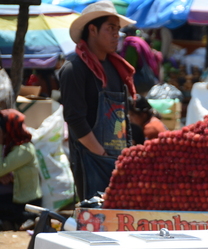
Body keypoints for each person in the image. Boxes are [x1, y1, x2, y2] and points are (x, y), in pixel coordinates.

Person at [59, 1, 137, 201]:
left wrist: (127, 155)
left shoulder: (116, 68)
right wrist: (101, 155)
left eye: (118, 30)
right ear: (92, 30)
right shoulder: (74, 68)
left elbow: (123, 116)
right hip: (90, 160)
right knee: (95, 218)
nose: (116, 35)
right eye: (110, 28)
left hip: (118, 159)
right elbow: (75, 119)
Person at [0, 109, 42, 231]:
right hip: (14, 198)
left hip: (26, 204)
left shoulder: (24, 149)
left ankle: (21, 221)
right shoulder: (11, 146)